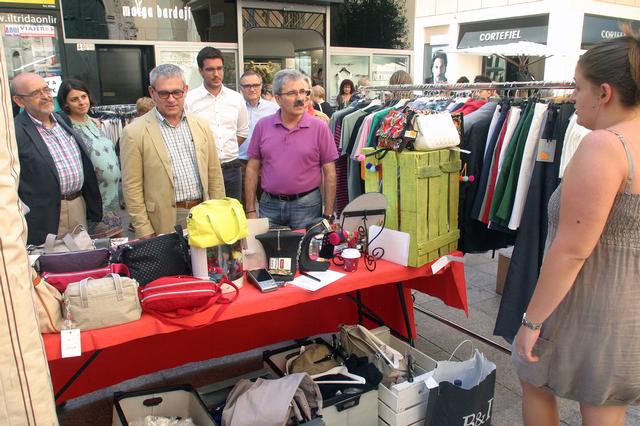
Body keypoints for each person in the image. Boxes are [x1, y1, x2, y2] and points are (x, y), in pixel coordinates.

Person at [513, 26, 640, 426]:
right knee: (606, 404)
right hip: (629, 308)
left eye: (578, 86)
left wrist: (531, 322)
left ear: (604, 93)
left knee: (532, 374)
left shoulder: (606, 146)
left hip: (590, 302)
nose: (571, 96)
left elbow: (572, 249)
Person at [120, 64, 225, 238]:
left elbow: (214, 174)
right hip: (164, 218)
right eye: (164, 93)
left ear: (185, 90)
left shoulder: (201, 125)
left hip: (204, 213)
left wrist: (219, 213)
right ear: (152, 92)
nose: (171, 99)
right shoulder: (134, 132)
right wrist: (143, 228)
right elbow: (132, 187)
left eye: (177, 92)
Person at [12, 72, 102, 245]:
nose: (45, 96)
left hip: (78, 206)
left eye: (46, 89)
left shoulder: (62, 120)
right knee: (54, 259)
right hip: (47, 216)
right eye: (36, 93)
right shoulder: (15, 132)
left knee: (83, 256)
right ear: (19, 101)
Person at [245, 69, 339, 229]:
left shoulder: (320, 127)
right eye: (292, 93)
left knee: (305, 246)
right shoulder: (263, 126)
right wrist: (250, 210)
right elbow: (252, 168)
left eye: (304, 92)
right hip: (269, 206)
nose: (300, 98)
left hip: (307, 206)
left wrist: (328, 214)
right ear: (278, 98)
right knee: (268, 245)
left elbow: (329, 172)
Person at [57, 78, 123, 238]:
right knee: (98, 247)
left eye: (83, 96)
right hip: (93, 201)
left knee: (117, 246)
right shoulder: (66, 128)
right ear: (65, 104)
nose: (81, 102)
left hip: (113, 199)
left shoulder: (96, 123)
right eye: (74, 99)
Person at [185, 47, 249, 201]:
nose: (216, 74)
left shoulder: (236, 99)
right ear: (201, 71)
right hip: (203, 170)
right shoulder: (190, 100)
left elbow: (242, 132)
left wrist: (226, 147)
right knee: (207, 212)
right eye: (210, 69)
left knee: (232, 211)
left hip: (232, 168)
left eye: (219, 68)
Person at [238, 69, 279, 206]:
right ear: (241, 88)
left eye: (255, 85)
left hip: (265, 163)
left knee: (268, 205)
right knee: (243, 208)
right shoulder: (234, 108)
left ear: (261, 86)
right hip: (241, 163)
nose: (252, 89)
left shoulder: (274, 109)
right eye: (247, 86)